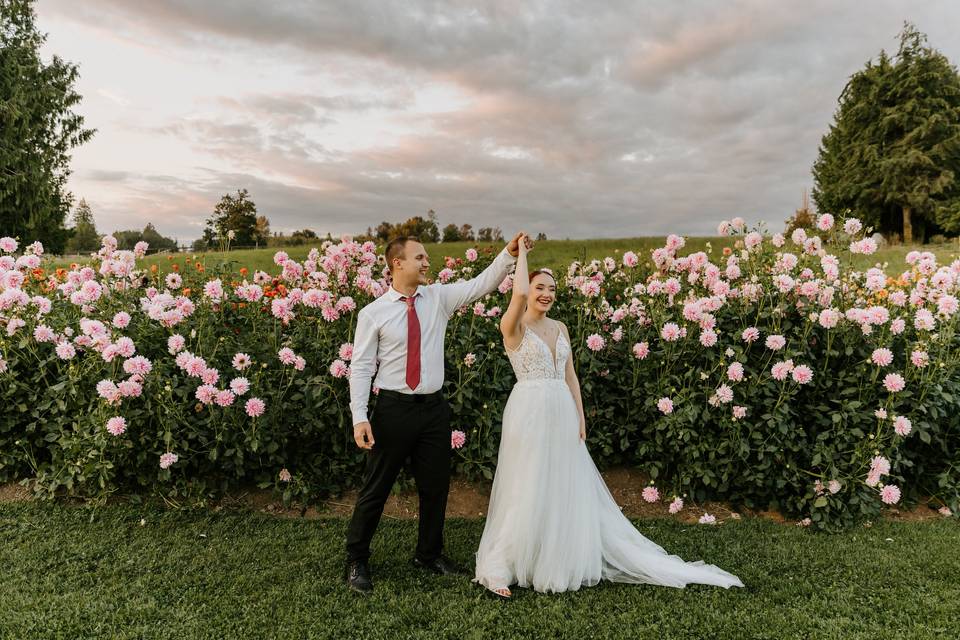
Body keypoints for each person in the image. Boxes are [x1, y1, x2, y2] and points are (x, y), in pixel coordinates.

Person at [474, 234, 745, 596]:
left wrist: (580, 418)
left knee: (559, 485)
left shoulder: (561, 328)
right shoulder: (514, 327)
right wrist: (521, 252)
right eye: (540, 286)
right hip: (529, 411)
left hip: (562, 413)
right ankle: (500, 567)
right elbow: (518, 294)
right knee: (527, 485)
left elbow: (571, 377)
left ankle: (552, 556)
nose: (546, 293)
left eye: (552, 289)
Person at [345, 233, 531, 593]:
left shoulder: (438, 299)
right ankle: (356, 559)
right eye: (419, 257)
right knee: (376, 488)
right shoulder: (373, 314)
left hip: (433, 411)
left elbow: (481, 284)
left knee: (435, 488)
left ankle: (428, 554)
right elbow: (362, 367)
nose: (426, 262)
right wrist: (359, 416)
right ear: (397, 263)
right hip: (393, 411)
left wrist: (509, 255)